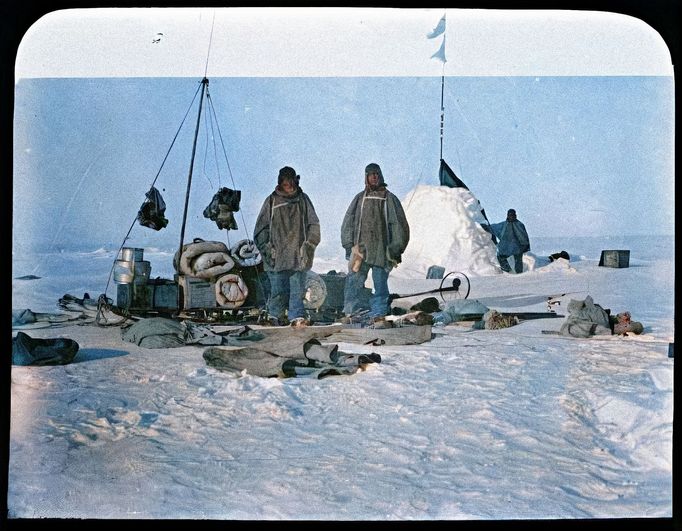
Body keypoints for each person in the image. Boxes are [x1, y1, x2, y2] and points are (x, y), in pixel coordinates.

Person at [340, 162, 410, 326]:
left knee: (380, 285)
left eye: (377, 174)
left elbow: (399, 226)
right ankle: (352, 312)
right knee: (354, 282)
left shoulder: (389, 199)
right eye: (371, 174)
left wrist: (394, 249)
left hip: (381, 251)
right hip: (361, 251)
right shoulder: (359, 199)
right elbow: (348, 223)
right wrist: (349, 245)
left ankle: (378, 314)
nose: (374, 177)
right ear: (366, 177)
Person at [254, 166, 320, 327]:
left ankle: (296, 317)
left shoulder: (303, 200)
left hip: (299, 253)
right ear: (280, 181)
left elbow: (314, 224)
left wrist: (309, 245)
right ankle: (274, 316)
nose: (288, 184)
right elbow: (260, 229)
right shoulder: (272, 200)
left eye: (291, 180)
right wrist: (267, 249)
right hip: (278, 255)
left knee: (297, 290)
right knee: (278, 290)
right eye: (285, 180)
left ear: (295, 180)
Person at [487, 208, 530, 273]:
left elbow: (524, 236)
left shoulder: (519, 224)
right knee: (501, 257)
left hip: (517, 248)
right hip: (508, 247)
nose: (512, 216)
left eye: (513, 215)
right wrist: (486, 227)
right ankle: (508, 272)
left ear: (515, 215)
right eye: (510, 215)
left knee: (518, 262)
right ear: (507, 215)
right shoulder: (504, 225)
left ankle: (519, 276)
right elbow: (494, 228)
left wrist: (525, 245)